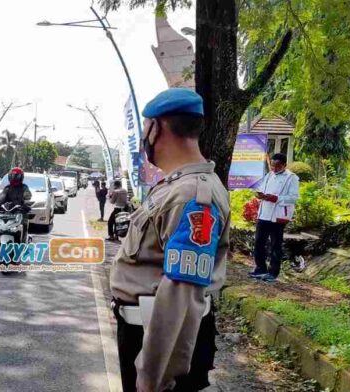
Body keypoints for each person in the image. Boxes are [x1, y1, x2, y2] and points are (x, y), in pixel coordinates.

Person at [109, 88, 230, 392]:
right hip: (147, 332)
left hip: (158, 341)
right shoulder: (175, 186)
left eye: (145, 126)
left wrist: (153, 376)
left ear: (155, 127)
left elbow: (181, 294)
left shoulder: (192, 195)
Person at [249, 153, 299, 283]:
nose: (274, 169)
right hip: (264, 213)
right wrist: (260, 195)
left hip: (278, 215)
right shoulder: (269, 175)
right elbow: (262, 188)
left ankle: (273, 272)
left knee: (275, 244)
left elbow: (293, 198)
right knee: (259, 242)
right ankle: (261, 268)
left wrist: (276, 198)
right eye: (272, 166)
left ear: (284, 165)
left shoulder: (291, 178)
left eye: (277, 166)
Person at [0, 167, 32, 241]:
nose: (14, 178)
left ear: (21, 177)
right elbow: (2, 197)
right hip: (7, 213)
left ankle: (24, 241)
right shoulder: (7, 188)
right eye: (12, 176)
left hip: (20, 212)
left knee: (25, 223)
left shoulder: (24, 188)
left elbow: (27, 197)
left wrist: (26, 205)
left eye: (16, 176)